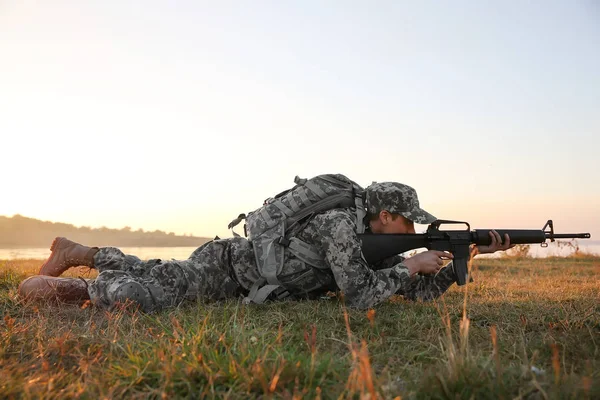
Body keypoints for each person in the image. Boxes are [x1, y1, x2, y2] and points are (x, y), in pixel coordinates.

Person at [18, 181, 512, 312]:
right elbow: (361, 296)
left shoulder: (377, 248)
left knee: (154, 269)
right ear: (384, 216)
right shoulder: (342, 226)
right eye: (410, 225)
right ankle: (82, 290)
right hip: (228, 267)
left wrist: (458, 264)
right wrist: (411, 266)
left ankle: (76, 251)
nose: (413, 234)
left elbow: (413, 293)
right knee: (152, 293)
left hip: (243, 284)